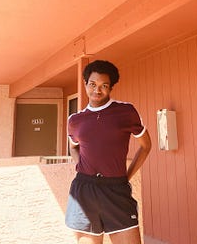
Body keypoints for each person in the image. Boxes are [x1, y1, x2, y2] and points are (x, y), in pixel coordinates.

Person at [65, 60, 151, 244]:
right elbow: (74, 146)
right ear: (85, 84)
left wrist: (126, 176)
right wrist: (80, 164)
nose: (97, 90)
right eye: (92, 84)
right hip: (84, 191)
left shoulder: (126, 112)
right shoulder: (75, 120)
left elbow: (146, 145)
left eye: (104, 85)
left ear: (111, 87)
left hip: (116, 189)